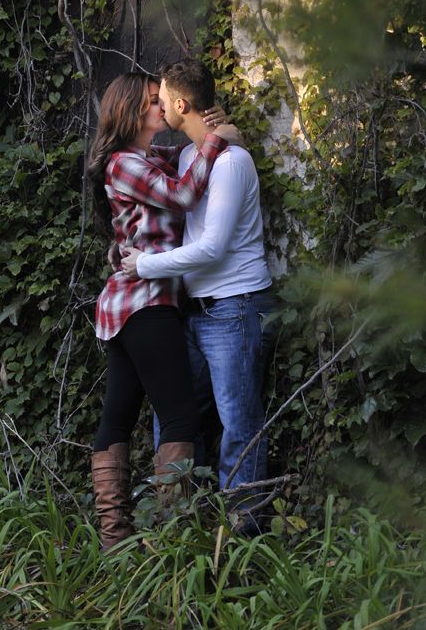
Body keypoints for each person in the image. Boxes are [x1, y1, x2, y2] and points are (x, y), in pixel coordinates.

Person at [87, 71, 239, 551]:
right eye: (154, 101)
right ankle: (171, 542)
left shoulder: (146, 158)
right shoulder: (123, 164)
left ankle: (118, 545)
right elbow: (183, 194)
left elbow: (184, 160)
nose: (162, 106)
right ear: (132, 111)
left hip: (129, 307)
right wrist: (216, 141)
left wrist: (213, 134)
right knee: (179, 418)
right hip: (146, 304)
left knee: (118, 416)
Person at [121, 59, 279, 522]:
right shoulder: (194, 157)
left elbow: (211, 248)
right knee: (175, 416)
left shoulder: (231, 164)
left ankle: (241, 533)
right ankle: (178, 524)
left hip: (236, 308)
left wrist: (144, 265)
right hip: (195, 312)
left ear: (181, 104)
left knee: (239, 424)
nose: (159, 106)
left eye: (162, 100)